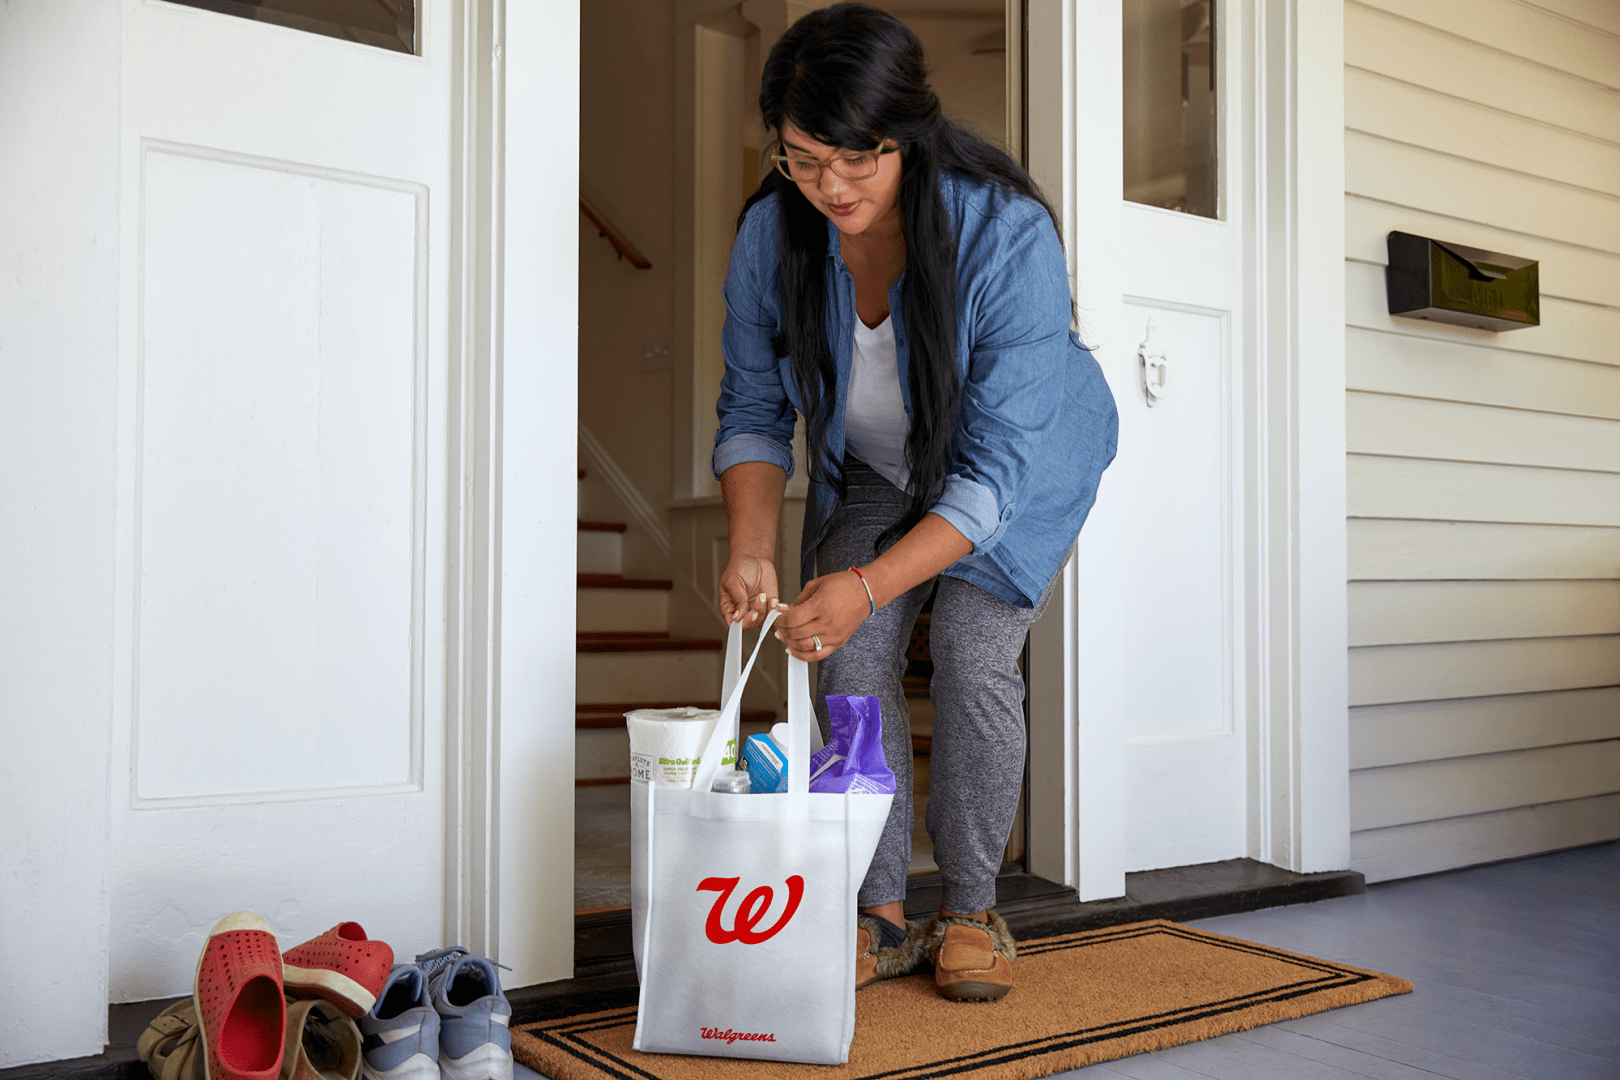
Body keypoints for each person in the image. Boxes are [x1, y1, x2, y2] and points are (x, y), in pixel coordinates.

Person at [713, 3, 1118, 1003]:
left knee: (974, 652)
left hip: (1019, 469)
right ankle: (879, 909)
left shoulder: (1006, 233)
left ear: (908, 135)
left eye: (858, 158)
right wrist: (753, 545)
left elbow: (993, 473)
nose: (832, 187)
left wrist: (868, 582)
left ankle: (972, 908)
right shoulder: (772, 232)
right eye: (805, 160)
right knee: (850, 653)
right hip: (878, 468)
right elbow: (754, 407)